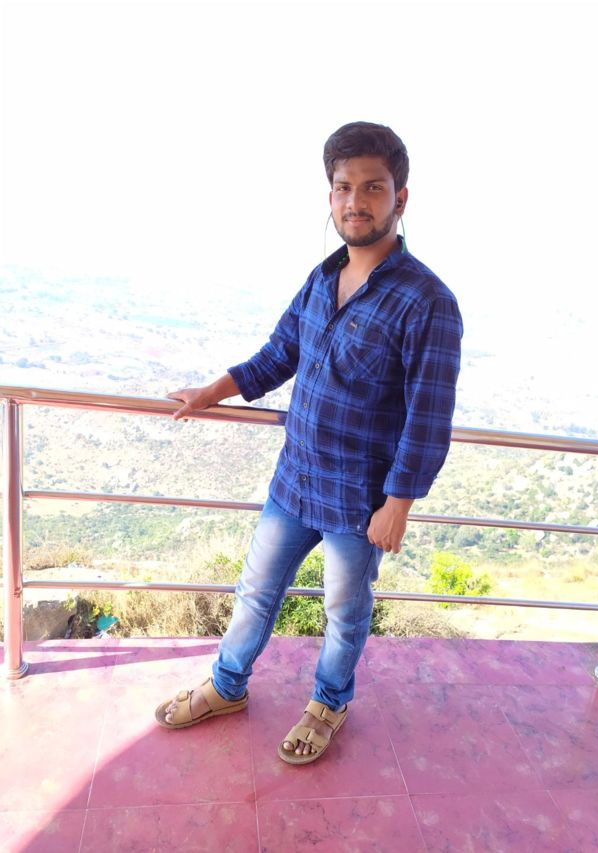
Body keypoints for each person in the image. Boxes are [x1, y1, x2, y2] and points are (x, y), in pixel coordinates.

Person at [154, 121, 463, 765]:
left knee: (345, 613)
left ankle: (328, 703)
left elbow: (429, 417)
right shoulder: (323, 279)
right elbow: (278, 355)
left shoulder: (427, 301)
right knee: (255, 592)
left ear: (400, 198)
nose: (356, 201)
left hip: (360, 499)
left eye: (373, 187)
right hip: (294, 481)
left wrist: (399, 503)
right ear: (330, 197)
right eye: (344, 187)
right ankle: (226, 686)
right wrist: (211, 392)